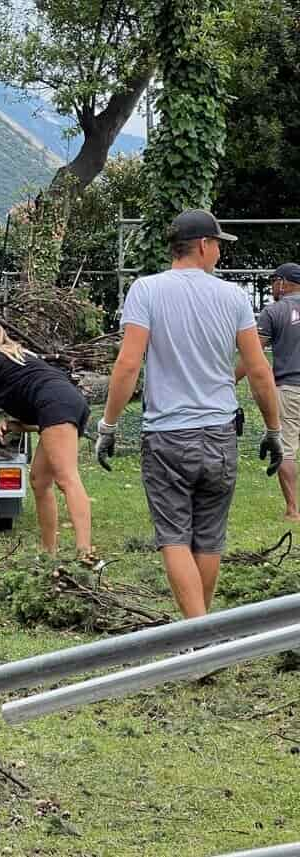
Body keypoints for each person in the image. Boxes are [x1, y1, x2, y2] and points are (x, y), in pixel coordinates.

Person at [96, 209, 282, 619]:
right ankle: (204, 638)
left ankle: (197, 640)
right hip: (219, 435)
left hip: (168, 437)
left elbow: (128, 365)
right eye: (218, 245)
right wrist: (274, 431)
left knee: (174, 538)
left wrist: (107, 426)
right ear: (202, 245)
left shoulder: (146, 291)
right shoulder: (233, 297)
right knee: (210, 538)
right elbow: (258, 371)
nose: (219, 253)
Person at [0, 322, 93, 557]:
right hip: (67, 404)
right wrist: (17, 426)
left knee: (67, 479)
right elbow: (44, 420)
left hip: (57, 406)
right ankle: (47, 553)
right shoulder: (20, 359)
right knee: (40, 480)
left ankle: (85, 554)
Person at [235, 263, 300, 521]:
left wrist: (229, 381)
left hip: (290, 390)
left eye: (274, 281)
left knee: (286, 448)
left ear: (283, 283)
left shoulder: (274, 311)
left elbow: (252, 355)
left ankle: (293, 510)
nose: (272, 287)